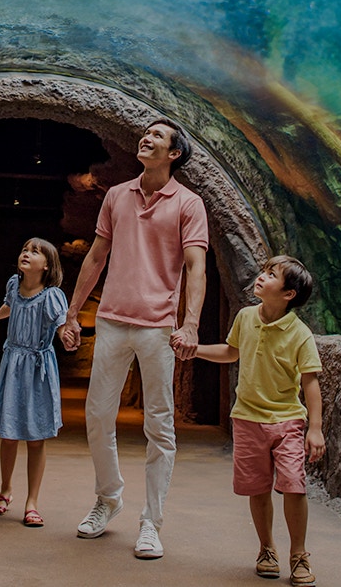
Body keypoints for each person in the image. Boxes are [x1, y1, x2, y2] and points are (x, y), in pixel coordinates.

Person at [58, 118, 209, 560]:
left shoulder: (189, 203)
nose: (146, 137)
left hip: (159, 326)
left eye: (157, 136)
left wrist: (191, 324)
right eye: (146, 133)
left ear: (174, 153)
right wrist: (71, 313)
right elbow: (95, 257)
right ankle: (108, 498)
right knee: (97, 417)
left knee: (159, 427)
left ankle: (151, 523)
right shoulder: (116, 195)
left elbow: (196, 267)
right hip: (111, 321)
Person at [195, 255, 325, 587]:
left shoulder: (300, 334)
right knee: (258, 487)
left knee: (294, 485)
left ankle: (299, 554)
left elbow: (310, 381)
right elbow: (230, 352)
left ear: (289, 294)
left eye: (272, 274)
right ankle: (267, 548)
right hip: (247, 418)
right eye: (264, 271)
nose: (261, 277)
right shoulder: (245, 317)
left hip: (287, 420)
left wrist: (315, 428)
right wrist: (195, 349)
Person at [0, 237, 69, 528]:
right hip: (12, 363)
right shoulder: (12, 286)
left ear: (47, 266)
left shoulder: (51, 295)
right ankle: (5, 490)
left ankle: (32, 501)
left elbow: (60, 323)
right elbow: (10, 307)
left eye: (35, 252)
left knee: (36, 437)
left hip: (38, 368)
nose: (26, 254)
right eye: (24, 249)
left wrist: (66, 336)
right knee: (8, 433)